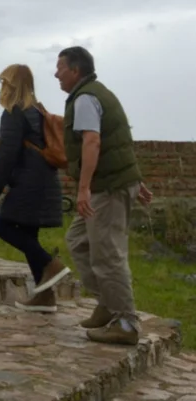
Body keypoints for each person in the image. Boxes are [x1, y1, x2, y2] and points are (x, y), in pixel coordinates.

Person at [56, 46, 153, 346]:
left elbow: (93, 142)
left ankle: (125, 322)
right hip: (114, 183)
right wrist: (135, 180)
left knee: (108, 254)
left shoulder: (85, 98)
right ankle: (108, 304)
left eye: (60, 67)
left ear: (75, 70)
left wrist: (83, 188)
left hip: (105, 189)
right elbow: (119, 140)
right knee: (78, 240)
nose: (56, 73)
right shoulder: (96, 93)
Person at [0, 64, 68, 313]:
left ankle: (50, 264)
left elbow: (6, 156)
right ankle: (45, 297)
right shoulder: (37, 110)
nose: (1, 88)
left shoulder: (14, 112)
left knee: (2, 226)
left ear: (12, 85)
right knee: (29, 235)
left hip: (29, 183)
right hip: (43, 180)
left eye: (4, 83)